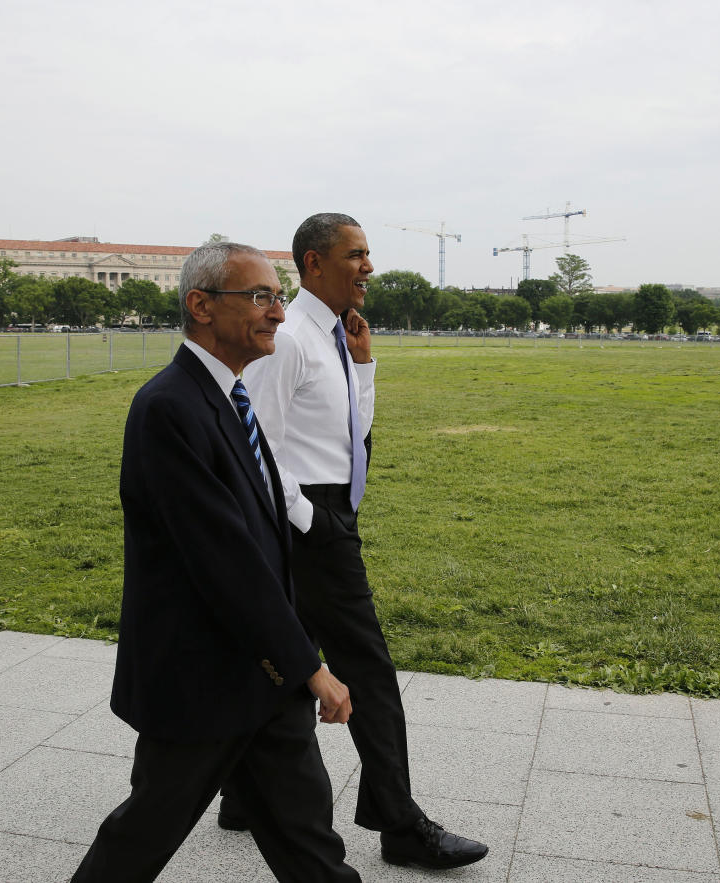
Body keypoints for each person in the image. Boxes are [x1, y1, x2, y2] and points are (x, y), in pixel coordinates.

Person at [70, 241, 360, 883]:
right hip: (203, 679)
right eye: (259, 296)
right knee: (140, 838)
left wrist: (292, 660)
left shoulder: (227, 397)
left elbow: (255, 539)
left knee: (310, 841)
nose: (278, 314)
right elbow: (223, 558)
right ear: (201, 306)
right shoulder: (171, 407)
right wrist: (309, 665)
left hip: (261, 676)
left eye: (278, 297)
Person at [233, 213, 488, 870]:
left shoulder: (337, 336)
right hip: (305, 520)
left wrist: (365, 366)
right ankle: (399, 824)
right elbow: (249, 442)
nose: (369, 266)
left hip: (325, 513)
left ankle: (240, 788)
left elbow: (350, 431)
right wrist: (310, 520)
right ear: (314, 264)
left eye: (368, 253)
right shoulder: (290, 340)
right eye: (356, 254)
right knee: (366, 668)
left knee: (275, 655)